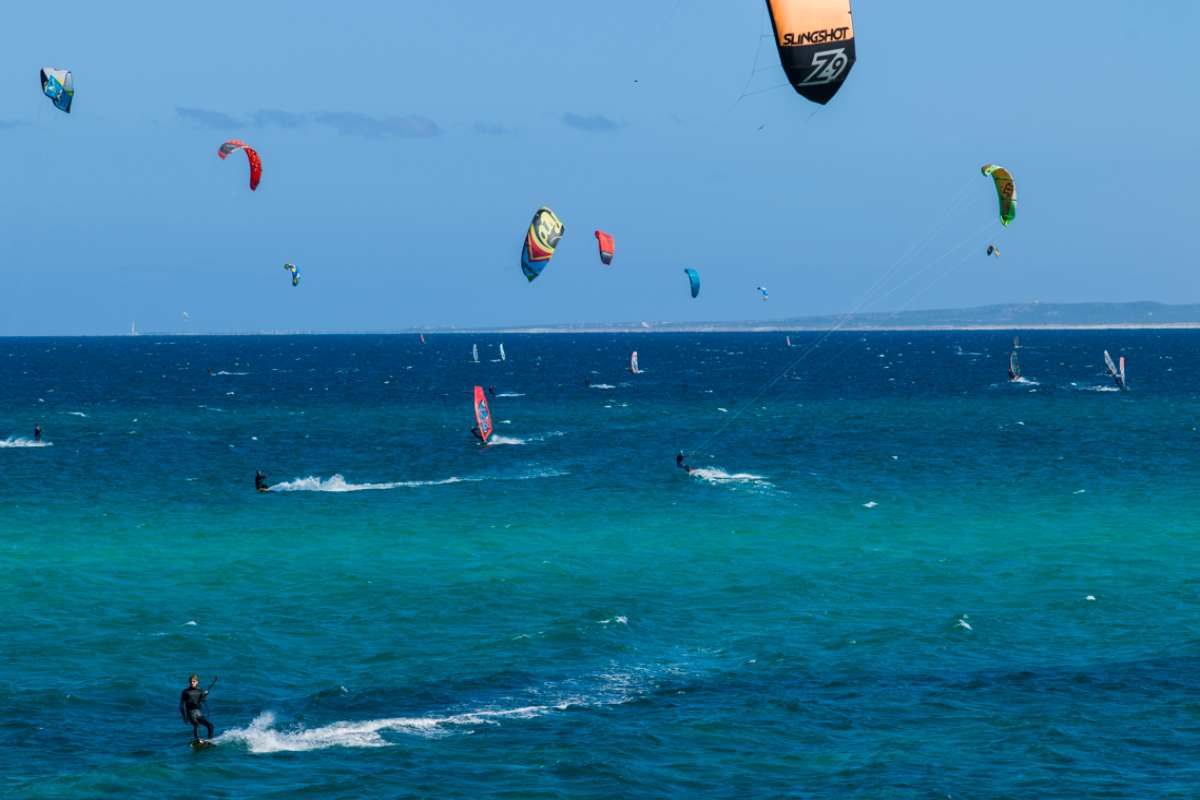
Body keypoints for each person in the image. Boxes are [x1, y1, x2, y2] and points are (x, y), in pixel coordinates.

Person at [180, 674, 214, 741]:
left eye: (194, 681)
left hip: (198, 713)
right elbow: (181, 705)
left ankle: (210, 741)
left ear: (197, 682)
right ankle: (197, 740)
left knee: (210, 726)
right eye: (191, 681)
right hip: (190, 712)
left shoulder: (200, 690)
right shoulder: (185, 691)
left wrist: (205, 695)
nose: (192, 683)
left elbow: (203, 701)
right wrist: (184, 716)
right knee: (196, 725)